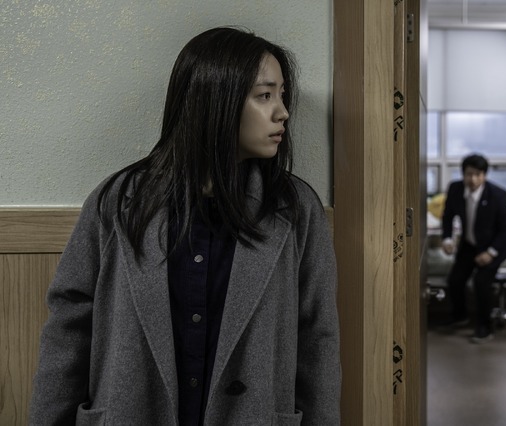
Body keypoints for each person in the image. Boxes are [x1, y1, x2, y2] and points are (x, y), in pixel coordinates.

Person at [29, 27, 341, 425]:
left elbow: (317, 342)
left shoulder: (295, 210)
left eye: (282, 95)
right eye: (265, 95)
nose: (282, 112)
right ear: (215, 99)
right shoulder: (118, 202)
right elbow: (69, 330)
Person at [441, 153, 506, 344]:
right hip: (470, 242)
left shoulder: (499, 196)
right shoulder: (455, 189)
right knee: (455, 280)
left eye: (478, 174)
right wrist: (447, 239)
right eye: (469, 174)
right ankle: (460, 316)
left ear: (484, 175)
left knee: (481, 281)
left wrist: (490, 253)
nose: (473, 179)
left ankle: (485, 326)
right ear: (463, 174)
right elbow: (447, 216)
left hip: (498, 244)